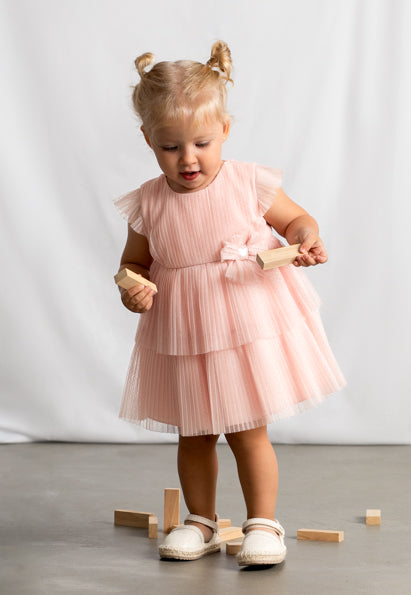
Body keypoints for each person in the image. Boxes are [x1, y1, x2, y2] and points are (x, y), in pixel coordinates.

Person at [114, 40, 345, 567]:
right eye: (170, 147)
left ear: (224, 130)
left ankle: (263, 521)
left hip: (242, 323)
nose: (188, 159)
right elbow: (134, 263)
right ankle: (202, 520)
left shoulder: (246, 182)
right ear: (148, 139)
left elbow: (296, 220)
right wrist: (133, 289)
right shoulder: (148, 201)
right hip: (184, 330)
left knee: (247, 429)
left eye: (201, 143)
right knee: (193, 433)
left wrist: (306, 237)